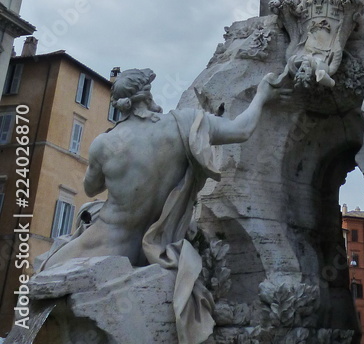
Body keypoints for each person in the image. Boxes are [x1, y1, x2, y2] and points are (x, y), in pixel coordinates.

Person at [37, 67, 287, 344]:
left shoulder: (104, 143)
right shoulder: (185, 125)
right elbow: (241, 130)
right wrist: (263, 94)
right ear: (147, 95)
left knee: (42, 274)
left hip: (105, 243)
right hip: (151, 248)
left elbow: (91, 188)